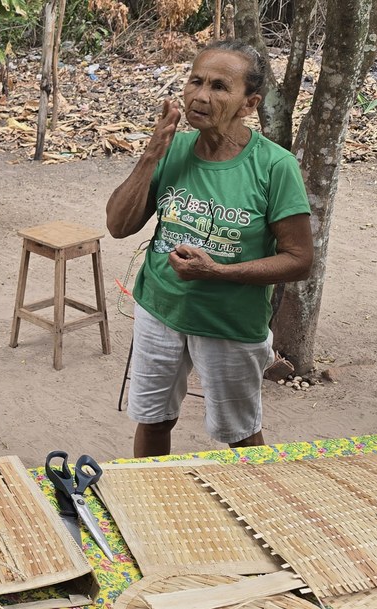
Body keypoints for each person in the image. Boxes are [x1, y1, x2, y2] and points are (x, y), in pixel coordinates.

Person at [106, 40, 313, 458]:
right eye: (195, 81)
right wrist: (151, 155)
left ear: (248, 103)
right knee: (154, 418)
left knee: (239, 435)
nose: (200, 96)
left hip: (229, 323)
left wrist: (219, 272)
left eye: (220, 87)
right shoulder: (173, 150)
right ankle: (150, 510)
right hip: (160, 309)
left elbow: (300, 259)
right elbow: (118, 225)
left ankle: (252, 514)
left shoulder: (274, 166)